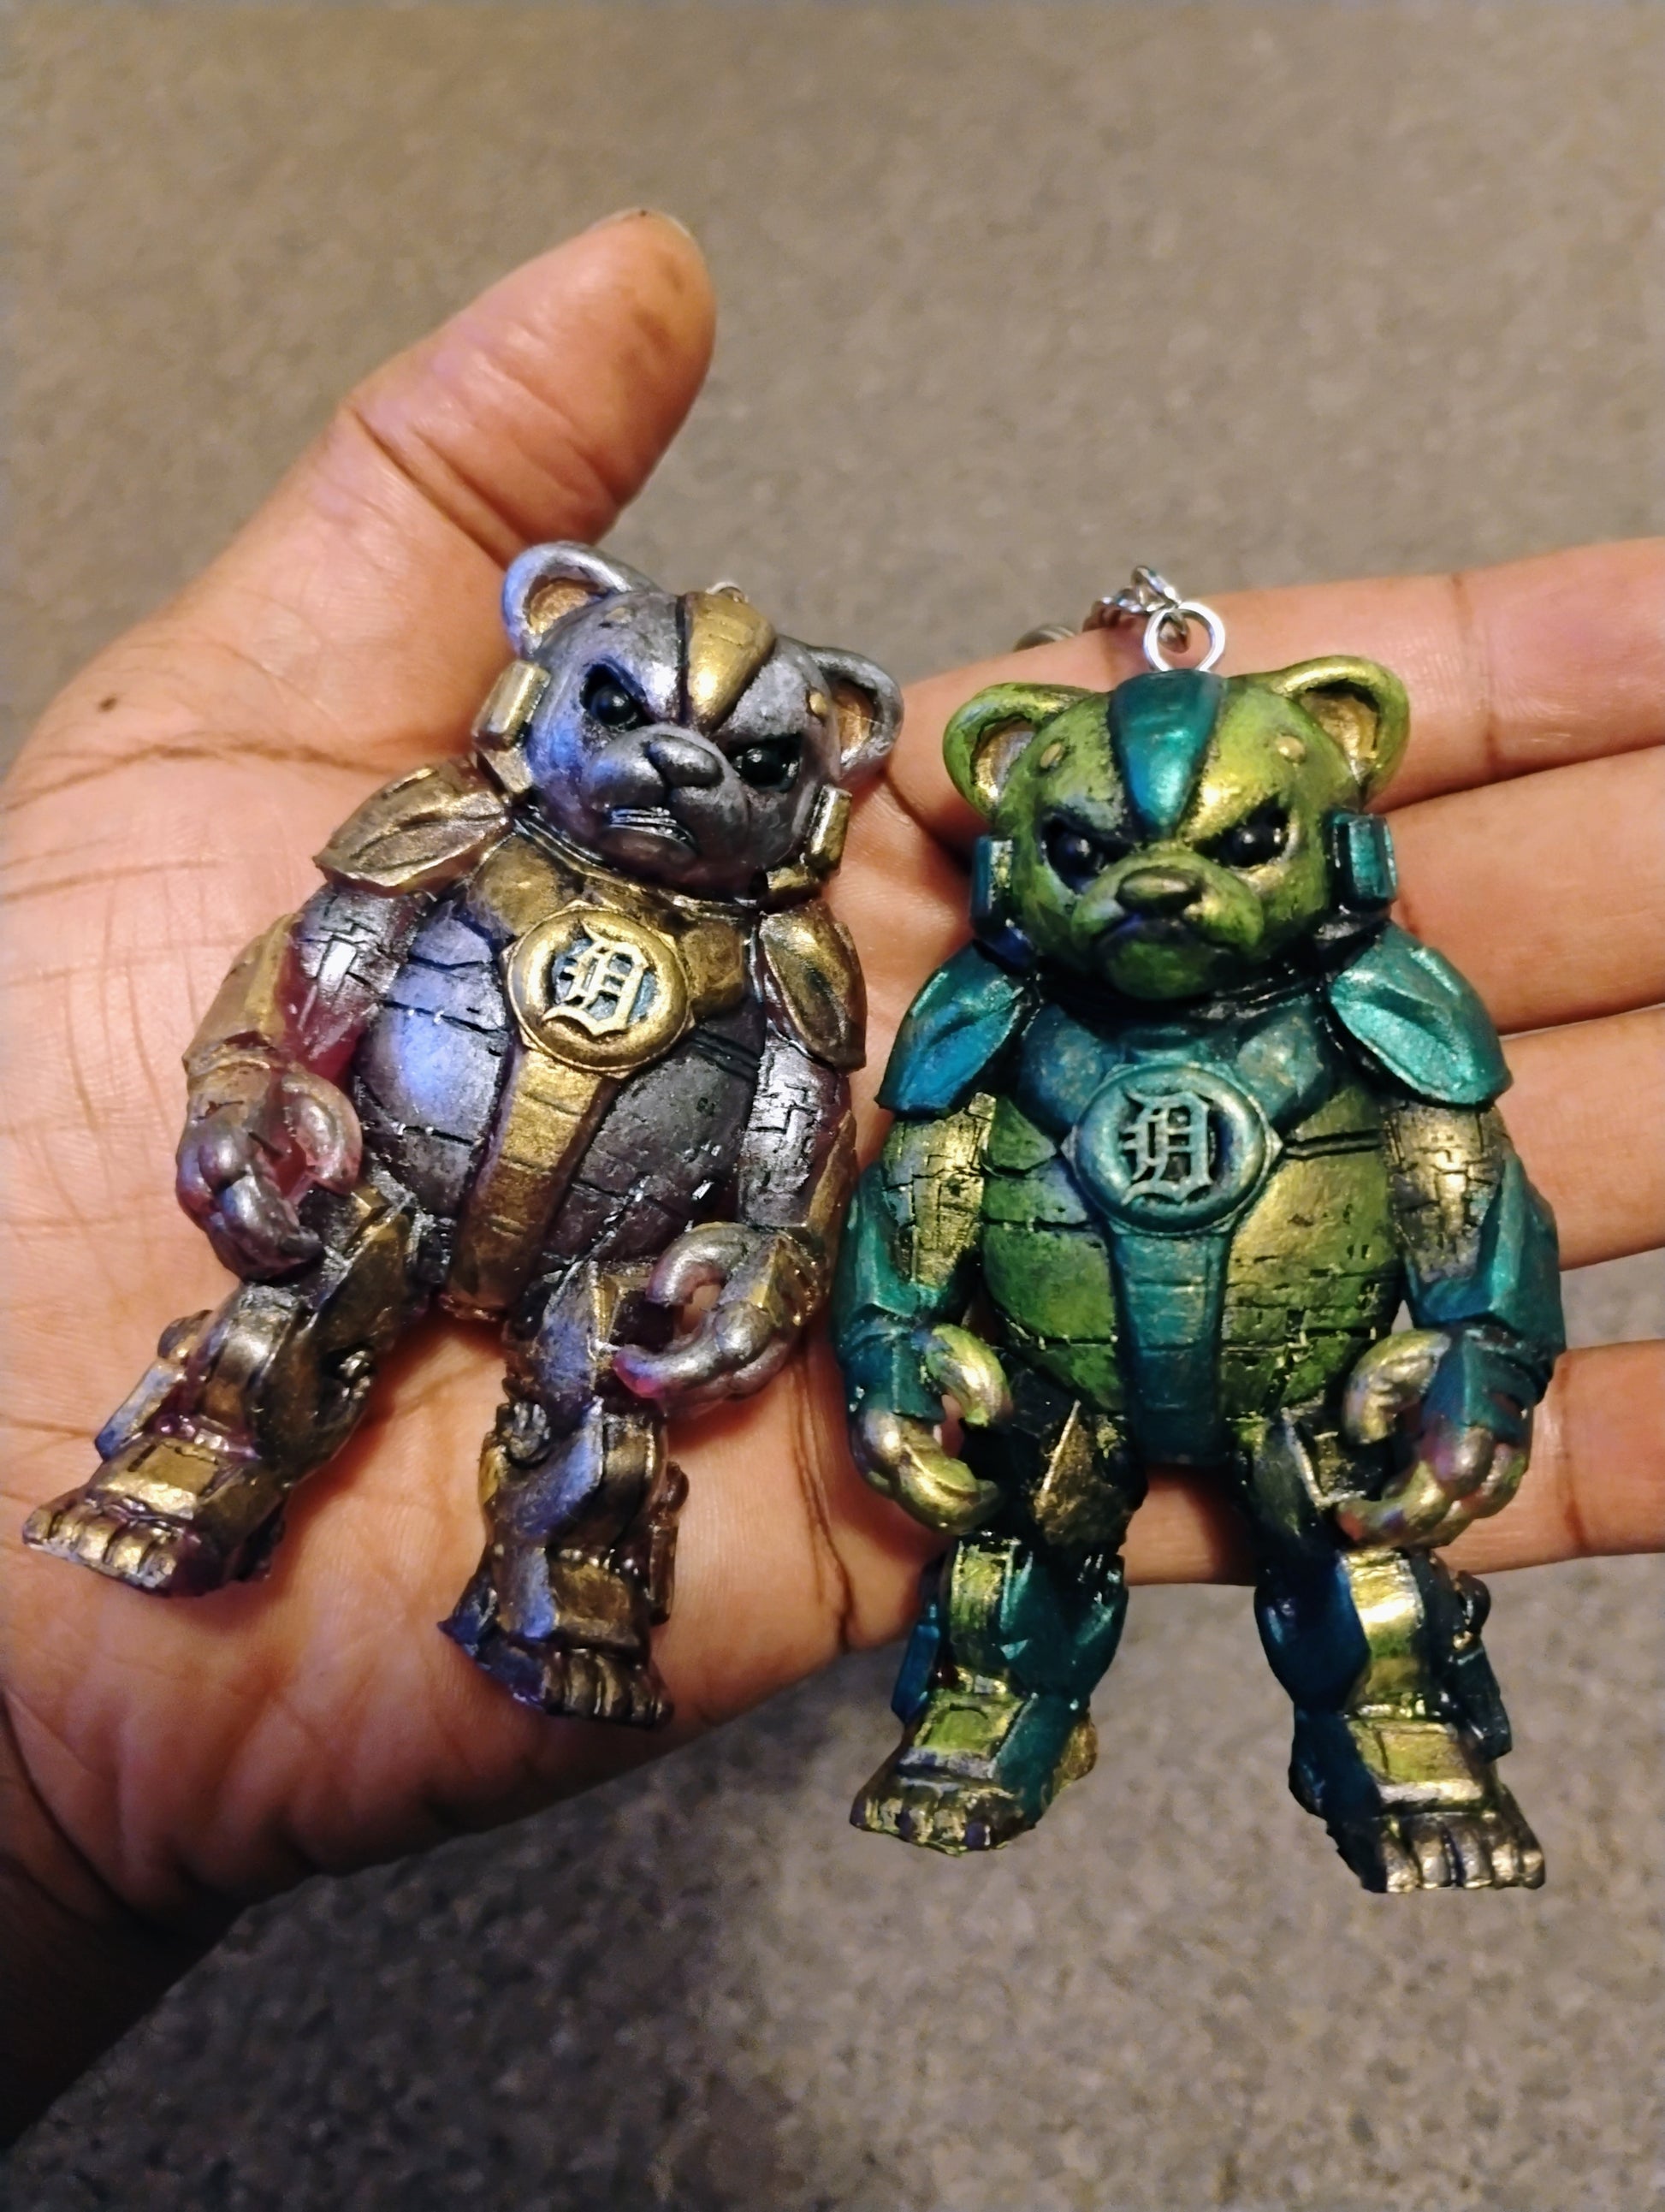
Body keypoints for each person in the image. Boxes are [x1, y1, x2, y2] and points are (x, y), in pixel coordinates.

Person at [2, 211, 1659, 2139]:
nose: (670, 769)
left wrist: (1471, 1359)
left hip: (1166, 1347)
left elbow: (1439, 1185)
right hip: (447, 1206)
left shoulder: (878, 971)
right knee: (309, 1341)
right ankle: (225, 1483)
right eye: (620, 710)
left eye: (1237, 844)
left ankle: (1389, 1739)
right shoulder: (475, 850)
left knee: (641, 1439)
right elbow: (886, 1179)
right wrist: (248, 1099)